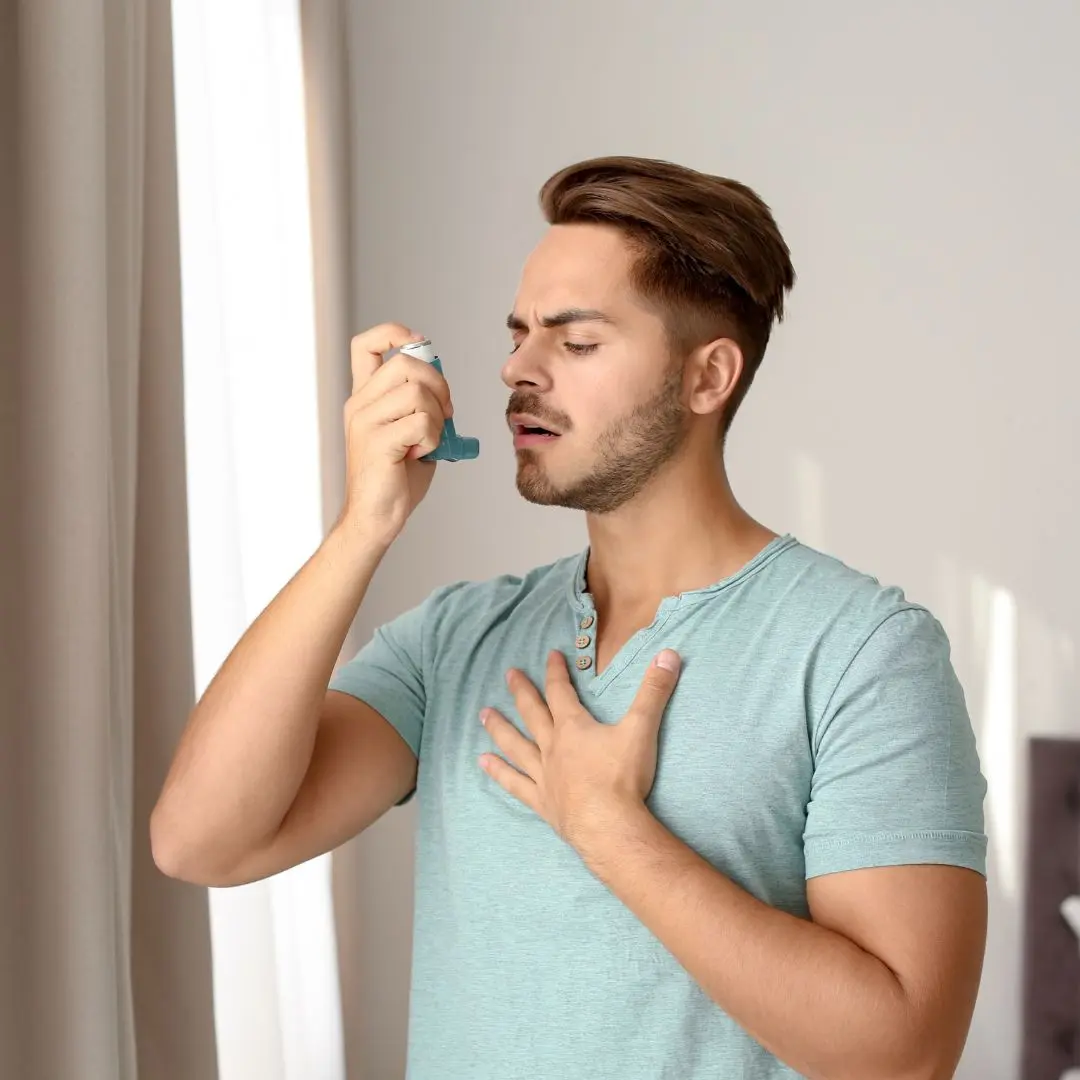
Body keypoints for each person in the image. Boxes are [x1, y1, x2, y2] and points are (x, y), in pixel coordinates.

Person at [152, 156, 988, 1079]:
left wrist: (608, 827)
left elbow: (903, 1055)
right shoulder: (456, 640)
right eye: (517, 335)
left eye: (575, 342)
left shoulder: (863, 652)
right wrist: (365, 526)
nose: (517, 368)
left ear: (708, 376)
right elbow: (202, 842)